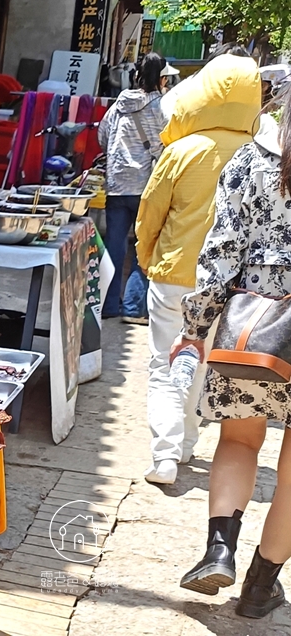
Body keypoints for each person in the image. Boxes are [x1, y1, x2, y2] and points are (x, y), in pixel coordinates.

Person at [175, 86, 291, 618]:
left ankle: (218, 549)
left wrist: (196, 326)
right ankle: (260, 588)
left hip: (256, 324)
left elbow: (222, 250)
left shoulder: (253, 156)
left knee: (240, 441)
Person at [135, 52, 261, 485]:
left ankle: (166, 454)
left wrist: (147, 257)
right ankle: (186, 445)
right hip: (229, 287)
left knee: (164, 363)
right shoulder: (259, 154)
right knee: (201, 364)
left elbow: (150, 213)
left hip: (174, 276)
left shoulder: (182, 149)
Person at [97, 52, 167, 319]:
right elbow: (167, 146)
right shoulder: (162, 108)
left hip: (116, 184)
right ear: (161, 78)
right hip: (147, 186)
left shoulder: (118, 105)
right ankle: (134, 308)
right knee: (145, 245)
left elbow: (102, 136)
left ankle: (108, 304)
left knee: (114, 244)